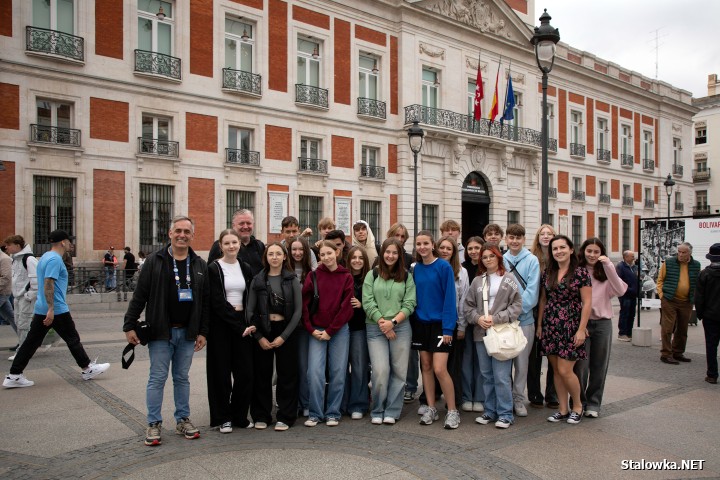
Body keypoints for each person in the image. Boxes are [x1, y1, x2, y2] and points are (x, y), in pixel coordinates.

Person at [123, 216, 209, 446]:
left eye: (187, 232)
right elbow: (140, 295)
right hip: (161, 332)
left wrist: (203, 331)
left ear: (192, 235)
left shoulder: (199, 264)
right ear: (170, 233)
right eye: (178, 231)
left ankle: (183, 419)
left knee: (182, 378)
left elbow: (205, 302)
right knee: (157, 377)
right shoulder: (155, 260)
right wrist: (129, 324)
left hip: (188, 333)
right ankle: (153, 423)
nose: (182, 235)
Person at [4, 230, 110, 389]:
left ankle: (14, 375)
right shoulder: (54, 259)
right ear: (62, 242)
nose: (70, 244)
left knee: (31, 342)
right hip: (56, 308)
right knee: (72, 338)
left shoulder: (46, 256)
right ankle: (87, 368)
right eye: (69, 241)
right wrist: (52, 309)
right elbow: (48, 283)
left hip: (43, 306)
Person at [464, 244, 522, 428]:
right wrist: (478, 318)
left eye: (491, 256)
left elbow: (517, 305)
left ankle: (505, 413)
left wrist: (497, 318)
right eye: (485, 257)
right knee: (487, 375)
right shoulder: (477, 281)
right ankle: (490, 410)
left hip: (502, 333)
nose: (488, 259)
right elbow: (468, 306)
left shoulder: (509, 279)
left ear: (498, 257)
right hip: (481, 334)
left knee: (501, 375)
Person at [536, 235, 591, 425]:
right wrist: (540, 325)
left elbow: (587, 302)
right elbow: (543, 300)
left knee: (565, 369)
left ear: (571, 250)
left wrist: (581, 329)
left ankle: (577, 406)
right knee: (556, 371)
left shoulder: (581, 273)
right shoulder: (548, 273)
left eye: (562, 247)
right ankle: (562, 408)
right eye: (555, 249)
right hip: (551, 325)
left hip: (571, 325)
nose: (558, 251)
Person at [248, 242, 302, 431]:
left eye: (278, 253)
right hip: (263, 329)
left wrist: (284, 337)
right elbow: (250, 312)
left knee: (287, 374)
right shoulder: (258, 280)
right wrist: (260, 337)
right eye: (271, 254)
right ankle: (261, 415)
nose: (275, 257)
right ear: (266, 257)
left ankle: (285, 416)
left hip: (286, 330)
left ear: (284, 257)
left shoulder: (292, 279)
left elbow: (298, 312)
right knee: (262, 374)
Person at [363, 239, 416, 424]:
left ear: (400, 255)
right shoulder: (373, 274)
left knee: (400, 372)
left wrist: (392, 322)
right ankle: (378, 409)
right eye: (387, 252)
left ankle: (392, 410)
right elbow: (367, 301)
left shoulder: (407, 276)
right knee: (380, 370)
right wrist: (383, 322)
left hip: (400, 327)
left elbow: (410, 303)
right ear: (382, 253)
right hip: (375, 327)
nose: (390, 256)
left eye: (395, 253)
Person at [206, 229, 255, 433]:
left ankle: (239, 415)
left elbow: (251, 296)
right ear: (221, 245)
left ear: (239, 244)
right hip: (221, 326)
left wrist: (248, 323)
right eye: (227, 243)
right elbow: (216, 301)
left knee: (245, 373)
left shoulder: (245, 267)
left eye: (234, 242)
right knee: (221, 373)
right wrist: (238, 325)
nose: (231, 246)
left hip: (243, 323)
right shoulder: (214, 268)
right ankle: (223, 417)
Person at [301, 241, 354, 427]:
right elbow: (304, 306)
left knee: (338, 372)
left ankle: (333, 412)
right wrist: (311, 329)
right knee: (314, 372)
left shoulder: (346, 277)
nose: (326, 258)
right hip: (316, 330)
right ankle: (315, 413)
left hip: (338, 331)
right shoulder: (313, 275)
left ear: (337, 252)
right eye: (322, 255)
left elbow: (347, 307)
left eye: (329, 253)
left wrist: (331, 331)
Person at [412, 230, 460, 429]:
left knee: (440, 368)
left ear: (433, 245)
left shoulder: (443, 267)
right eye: (418, 244)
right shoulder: (415, 269)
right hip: (421, 324)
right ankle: (431, 407)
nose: (422, 247)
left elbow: (450, 298)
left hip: (441, 324)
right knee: (426, 366)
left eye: (425, 243)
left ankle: (452, 410)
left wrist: (449, 328)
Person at [574, 238, 626, 418]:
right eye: (589, 251)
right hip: (583, 323)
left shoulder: (606, 271)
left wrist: (609, 266)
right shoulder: (578, 271)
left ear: (601, 253)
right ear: (583, 251)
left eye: (596, 252)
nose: (592, 255)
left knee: (600, 364)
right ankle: (579, 402)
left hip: (603, 323)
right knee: (581, 366)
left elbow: (620, 290)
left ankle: (594, 403)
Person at [502, 224, 540, 418]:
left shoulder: (532, 260)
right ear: (506, 239)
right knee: (504, 361)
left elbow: (533, 293)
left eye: (518, 237)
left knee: (522, 363)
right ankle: (506, 398)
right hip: (505, 322)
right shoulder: (501, 259)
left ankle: (518, 398)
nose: (514, 241)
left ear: (524, 239)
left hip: (524, 321)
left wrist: (515, 311)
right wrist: (507, 314)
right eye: (511, 237)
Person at [436, 236, 469, 417]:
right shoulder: (431, 267)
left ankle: (454, 400)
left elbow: (464, 300)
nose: (445, 251)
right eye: (442, 247)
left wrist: (462, 325)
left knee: (453, 365)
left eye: (449, 248)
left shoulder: (461, 272)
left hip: (453, 323)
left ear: (454, 252)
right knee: (434, 366)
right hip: (434, 323)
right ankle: (432, 397)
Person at [528, 224, 558, 409]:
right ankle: (534, 393)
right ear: (537, 237)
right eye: (542, 234)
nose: (546, 236)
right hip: (533, 309)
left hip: (554, 312)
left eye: (550, 234)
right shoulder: (532, 258)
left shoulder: (560, 258)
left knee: (554, 355)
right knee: (534, 357)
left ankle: (552, 394)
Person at [656, 242, 701, 365]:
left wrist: (694, 298)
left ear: (689, 253)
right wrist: (661, 296)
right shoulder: (669, 263)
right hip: (669, 299)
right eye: (679, 252)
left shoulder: (696, 265)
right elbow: (660, 280)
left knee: (682, 329)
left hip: (686, 302)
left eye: (683, 252)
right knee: (668, 328)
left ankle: (678, 352)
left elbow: (697, 283)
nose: (680, 254)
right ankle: (666, 354)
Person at [287, 235, 314, 417]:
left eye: (301, 250)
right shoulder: (283, 270)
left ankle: (304, 402)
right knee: (290, 366)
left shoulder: (312, 272)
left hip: (304, 325)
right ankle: (290, 402)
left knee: (304, 366)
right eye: (294, 249)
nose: (297, 253)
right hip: (286, 325)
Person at [343, 246, 371, 419]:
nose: (357, 261)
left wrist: (362, 305)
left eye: (361, 257)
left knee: (360, 367)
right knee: (341, 369)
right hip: (341, 328)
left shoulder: (369, 278)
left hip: (359, 328)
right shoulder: (343, 277)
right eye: (354, 257)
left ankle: (359, 404)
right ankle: (343, 403)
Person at [460, 236, 485, 412]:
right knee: (467, 360)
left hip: (484, 322)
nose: (474, 251)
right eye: (470, 248)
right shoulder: (463, 269)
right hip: (468, 321)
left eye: (477, 248)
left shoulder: (488, 268)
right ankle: (467, 396)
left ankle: (480, 397)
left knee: (482, 362)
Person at [3, 235, 38, 358]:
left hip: (25, 298)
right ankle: (24, 349)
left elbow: (36, 280)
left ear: (17, 245)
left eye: (9, 244)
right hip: (18, 297)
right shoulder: (16, 259)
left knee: (24, 325)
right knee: (19, 323)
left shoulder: (29, 259)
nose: (6, 247)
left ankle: (23, 352)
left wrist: (29, 296)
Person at [208, 209, 265, 275]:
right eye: (241, 223)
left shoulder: (260, 246)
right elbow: (211, 273)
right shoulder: (220, 246)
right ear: (233, 225)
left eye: (249, 223)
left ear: (253, 224)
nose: (246, 227)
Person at [695, 243, 720, 384]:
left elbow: (699, 297)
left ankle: (712, 374)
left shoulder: (705, 274)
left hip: (710, 316)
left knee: (711, 346)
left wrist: (700, 314)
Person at [616, 250, 639, 341]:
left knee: (631, 314)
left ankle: (629, 333)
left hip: (633, 294)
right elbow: (618, 281)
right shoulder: (620, 267)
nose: (634, 258)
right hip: (625, 295)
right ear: (625, 257)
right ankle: (622, 333)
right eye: (632, 256)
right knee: (625, 313)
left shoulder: (634, 267)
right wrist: (626, 290)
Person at [0, 247, 15, 333]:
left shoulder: (4, 259)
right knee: (11, 317)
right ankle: (24, 340)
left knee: (11, 317)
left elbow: (6, 278)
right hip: (3, 293)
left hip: (2, 292)